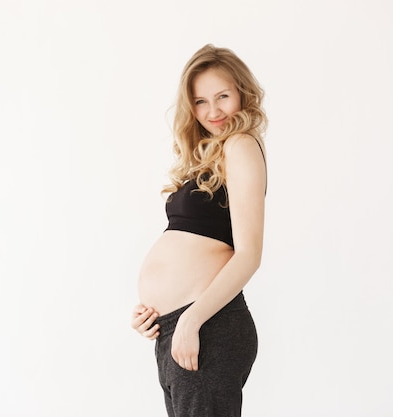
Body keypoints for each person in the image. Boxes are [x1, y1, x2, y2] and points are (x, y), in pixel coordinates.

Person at [130, 43, 268, 417]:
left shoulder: (241, 145)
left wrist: (191, 320)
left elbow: (249, 255)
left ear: (242, 92)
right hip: (179, 328)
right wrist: (154, 314)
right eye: (201, 101)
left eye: (222, 96)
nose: (213, 111)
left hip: (208, 323)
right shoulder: (208, 156)